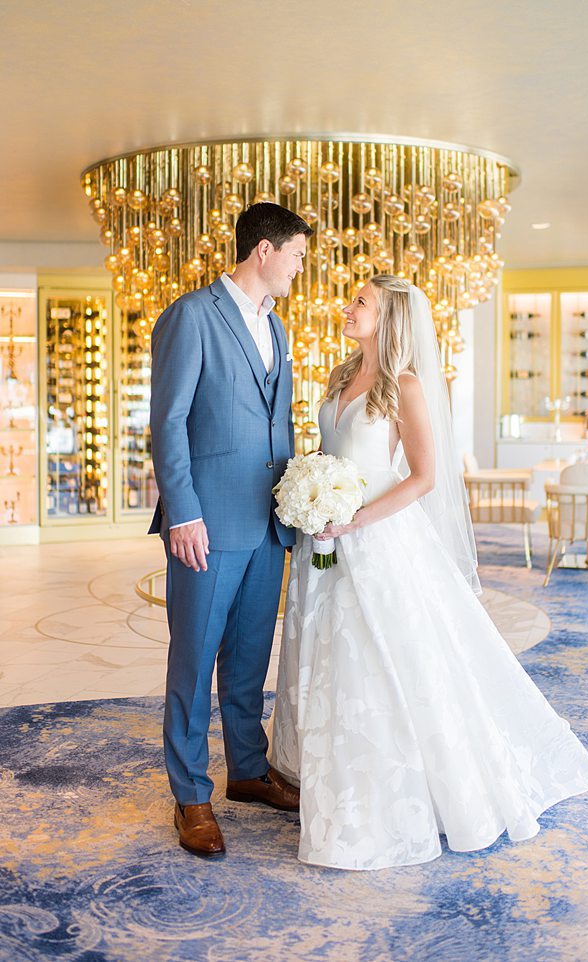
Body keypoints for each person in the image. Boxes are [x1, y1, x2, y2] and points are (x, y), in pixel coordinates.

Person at [269, 274, 588, 871]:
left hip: (375, 539)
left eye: (362, 302)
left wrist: (355, 519)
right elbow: (336, 453)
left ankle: (390, 797)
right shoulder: (343, 376)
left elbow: (423, 478)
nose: (349, 307)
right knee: (330, 655)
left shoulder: (407, 386)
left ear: (389, 316)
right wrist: (312, 492)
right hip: (327, 536)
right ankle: (333, 779)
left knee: (381, 659)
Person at [149, 203, 313, 857]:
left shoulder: (281, 328)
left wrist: (300, 501)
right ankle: (191, 795)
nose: (301, 268)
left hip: (268, 522)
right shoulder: (191, 316)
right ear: (265, 252)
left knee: (248, 659)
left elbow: (280, 424)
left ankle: (247, 770)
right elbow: (168, 421)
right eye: (298, 255)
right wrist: (183, 511)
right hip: (206, 525)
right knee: (193, 661)